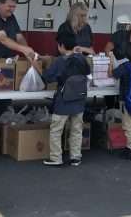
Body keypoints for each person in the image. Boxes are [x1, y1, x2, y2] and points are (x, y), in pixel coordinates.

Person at [34, 32, 91, 166]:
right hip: (79, 100)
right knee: (77, 129)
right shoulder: (82, 59)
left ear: (61, 46)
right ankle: (76, 157)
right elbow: (88, 73)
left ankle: (56, 158)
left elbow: (48, 78)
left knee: (56, 130)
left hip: (63, 101)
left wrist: (37, 66)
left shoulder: (60, 61)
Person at [108, 43, 131, 161]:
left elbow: (111, 74)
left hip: (126, 100)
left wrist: (110, 60)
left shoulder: (125, 66)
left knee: (127, 125)